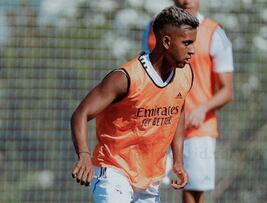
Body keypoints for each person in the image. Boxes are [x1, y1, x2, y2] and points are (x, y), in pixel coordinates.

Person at [70, 6, 199, 203]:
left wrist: (179, 161)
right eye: (187, 43)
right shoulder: (126, 78)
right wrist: (84, 155)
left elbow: (178, 111)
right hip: (114, 171)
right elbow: (81, 113)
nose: (193, 50)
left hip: (149, 178)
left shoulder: (185, 74)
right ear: (166, 41)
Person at [142, 1, 234, 203]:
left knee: (191, 193)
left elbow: (228, 91)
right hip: (159, 124)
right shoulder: (153, 28)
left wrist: (202, 109)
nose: (185, 1)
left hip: (197, 130)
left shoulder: (215, 33)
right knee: (141, 185)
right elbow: (144, 74)